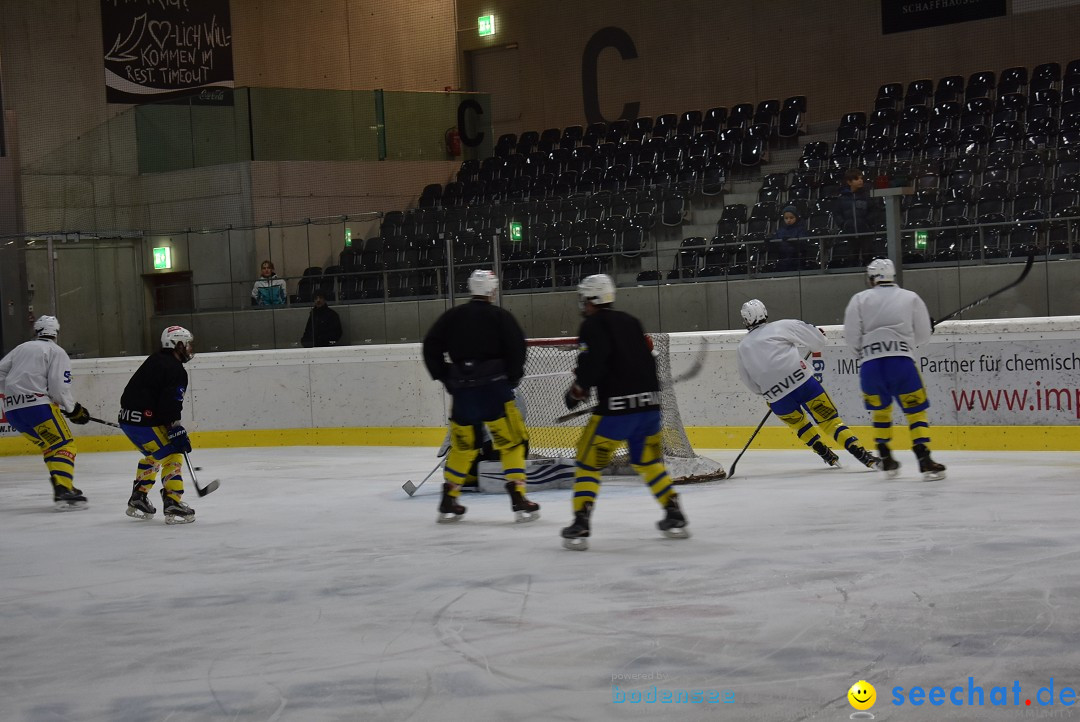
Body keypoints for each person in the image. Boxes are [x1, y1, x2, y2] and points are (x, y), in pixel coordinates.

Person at [561, 274, 688, 551]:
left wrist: (577, 391)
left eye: (585, 298)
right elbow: (642, 362)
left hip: (615, 415)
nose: (583, 304)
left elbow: (593, 365)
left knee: (587, 461)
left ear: (593, 299)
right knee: (648, 462)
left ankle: (580, 522)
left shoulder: (591, 325)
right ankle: (674, 512)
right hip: (649, 410)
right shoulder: (631, 322)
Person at [421, 269, 539, 523]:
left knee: (463, 445)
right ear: (492, 291)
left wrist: (445, 376)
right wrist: (512, 378)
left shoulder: (453, 316)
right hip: (494, 391)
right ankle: (518, 495)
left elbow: (430, 345)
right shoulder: (500, 316)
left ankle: (450, 497)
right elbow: (517, 348)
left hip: (463, 393)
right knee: (512, 442)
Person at [735, 299, 879, 469]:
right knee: (830, 421)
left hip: (776, 397)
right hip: (803, 383)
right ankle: (860, 453)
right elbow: (818, 342)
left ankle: (824, 452)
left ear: (745, 320)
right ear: (765, 312)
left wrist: (770, 391)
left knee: (799, 425)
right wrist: (819, 336)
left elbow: (749, 381)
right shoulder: (783, 326)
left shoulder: (742, 348)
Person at [843, 258, 946, 481]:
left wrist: (866, 353)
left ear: (871, 279)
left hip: (871, 366)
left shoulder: (859, 300)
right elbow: (922, 337)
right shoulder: (910, 297)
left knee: (881, 412)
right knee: (916, 412)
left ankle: (886, 456)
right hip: (901, 364)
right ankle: (923, 457)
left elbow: (851, 338)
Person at [0, 315, 91, 509]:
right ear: (56, 332)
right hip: (38, 408)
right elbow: (59, 387)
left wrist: (13, 392)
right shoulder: (56, 351)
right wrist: (72, 409)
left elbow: (1, 372)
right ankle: (63, 490)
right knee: (65, 445)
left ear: (36, 331)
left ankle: (63, 484)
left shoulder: (21, 348)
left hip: (12, 410)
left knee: (50, 445)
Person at [118, 326, 197, 523]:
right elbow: (170, 403)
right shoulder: (176, 370)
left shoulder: (154, 360)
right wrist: (175, 428)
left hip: (128, 420)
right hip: (145, 422)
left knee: (154, 454)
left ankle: (138, 498)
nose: (189, 348)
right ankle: (172, 502)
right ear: (177, 344)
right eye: (187, 344)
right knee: (172, 454)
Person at [834, 169, 876, 264]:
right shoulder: (842, 199)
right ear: (849, 182)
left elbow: (874, 211)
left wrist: (867, 223)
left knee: (868, 258)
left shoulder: (867, 196)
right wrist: (844, 224)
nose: (860, 181)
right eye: (856, 179)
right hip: (850, 233)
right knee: (852, 259)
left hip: (865, 232)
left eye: (861, 178)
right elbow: (837, 214)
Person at [770, 204, 807, 272]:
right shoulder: (780, 230)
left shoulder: (800, 229)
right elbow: (775, 242)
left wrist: (792, 241)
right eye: (786, 218)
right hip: (782, 261)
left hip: (796, 261)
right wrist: (770, 241)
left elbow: (803, 243)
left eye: (791, 218)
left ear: (796, 217)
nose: (788, 220)